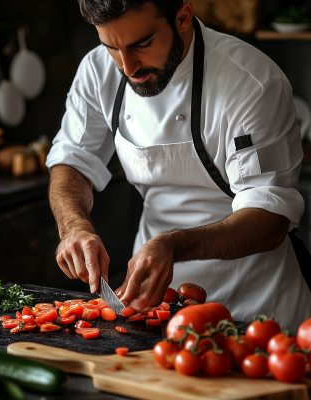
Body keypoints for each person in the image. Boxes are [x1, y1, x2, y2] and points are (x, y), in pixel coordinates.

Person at [46, 0, 311, 331]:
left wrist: (172, 245)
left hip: (258, 307)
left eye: (142, 44)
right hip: (157, 306)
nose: (127, 67)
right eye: (111, 46)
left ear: (183, 17)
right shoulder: (97, 71)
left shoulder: (252, 82)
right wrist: (74, 227)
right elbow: (72, 161)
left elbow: (270, 215)